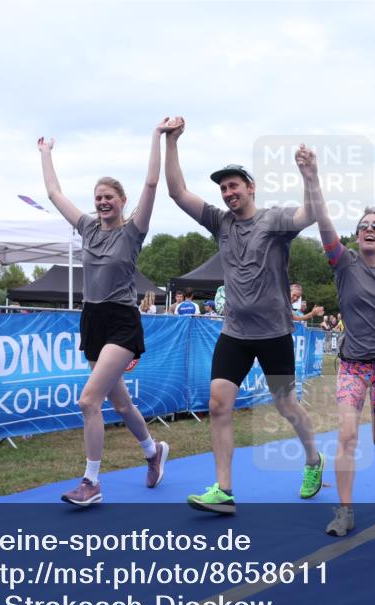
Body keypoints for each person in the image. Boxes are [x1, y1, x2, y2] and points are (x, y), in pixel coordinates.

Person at [164, 117, 322, 514]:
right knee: (219, 403)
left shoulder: (274, 220)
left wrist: (310, 176)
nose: (228, 192)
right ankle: (224, 490)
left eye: (233, 185)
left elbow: (311, 214)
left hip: (274, 333)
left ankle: (313, 459)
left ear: (251, 187)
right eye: (223, 188)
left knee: (286, 406)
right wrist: (172, 141)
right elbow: (177, 191)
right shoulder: (219, 223)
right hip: (234, 333)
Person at [37, 118, 172, 506]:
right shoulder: (86, 227)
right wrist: (45, 153)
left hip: (121, 321)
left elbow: (151, 184)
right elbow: (54, 192)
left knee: (88, 401)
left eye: (109, 196)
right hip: (92, 320)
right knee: (121, 403)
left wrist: (157, 136)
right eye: (97, 197)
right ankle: (153, 452)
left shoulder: (133, 231)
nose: (101, 201)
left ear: (122, 200)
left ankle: (91, 482)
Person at [295, 146, 375, 537]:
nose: (369, 229)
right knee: (347, 436)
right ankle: (345, 511)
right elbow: (323, 221)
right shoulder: (344, 263)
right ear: (356, 236)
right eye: (363, 226)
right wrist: (311, 177)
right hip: (352, 366)